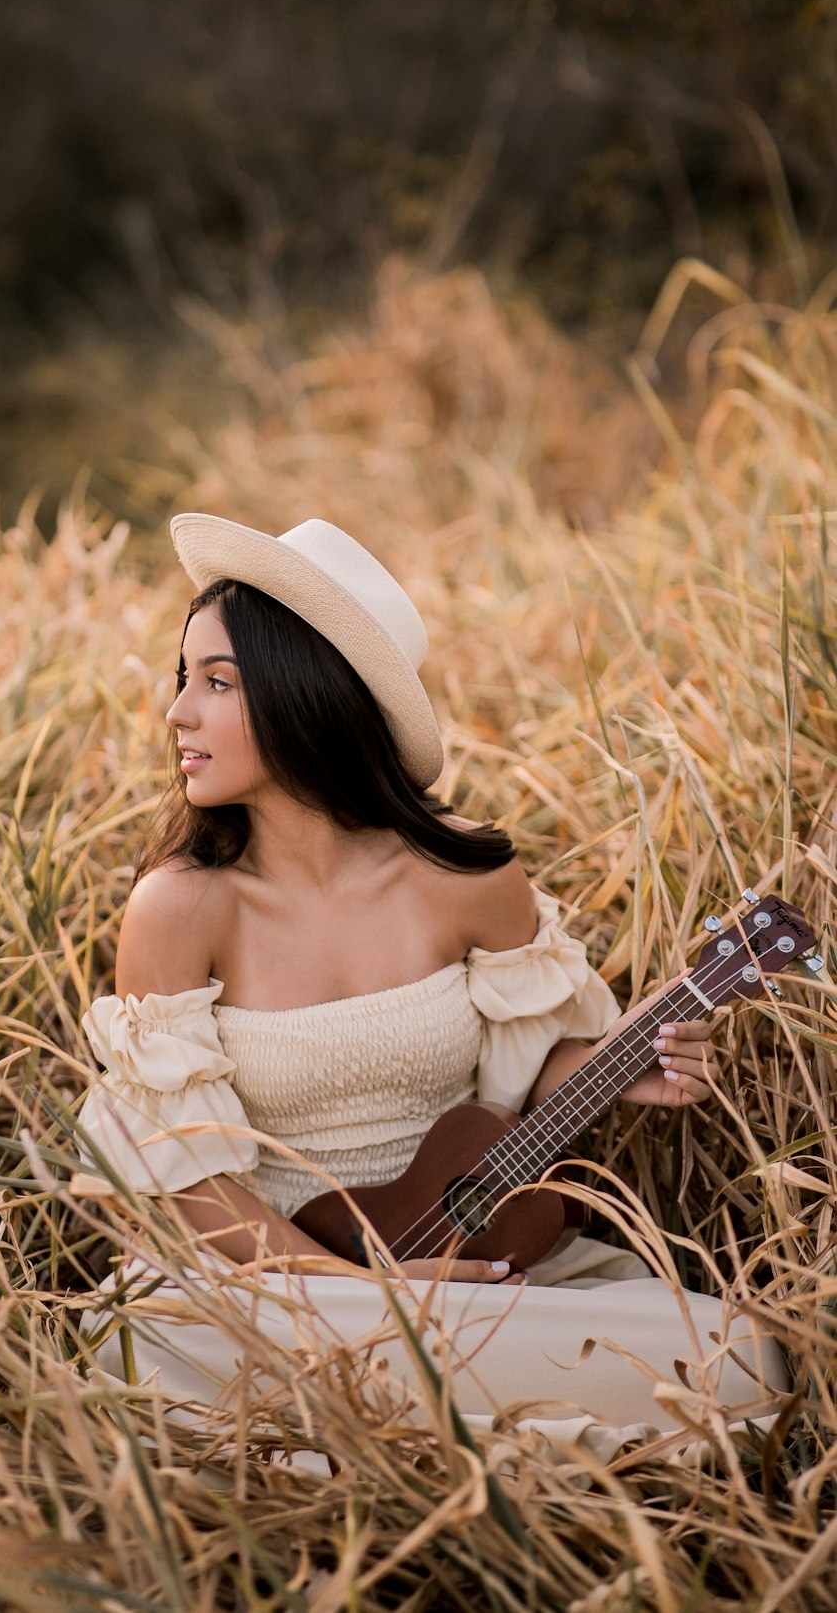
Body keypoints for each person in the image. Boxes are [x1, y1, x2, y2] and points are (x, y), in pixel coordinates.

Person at [77, 514, 787, 1443]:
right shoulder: (181, 908)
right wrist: (366, 1286)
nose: (177, 712)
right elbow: (189, 1189)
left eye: (216, 683)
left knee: (738, 1358)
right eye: (185, 680)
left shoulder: (469, 880)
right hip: (276, 1286)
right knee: (155, 1354)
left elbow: (534, 1079)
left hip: (473, 1266)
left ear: (309, 696)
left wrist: (623, 1066)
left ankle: (400, 1426)